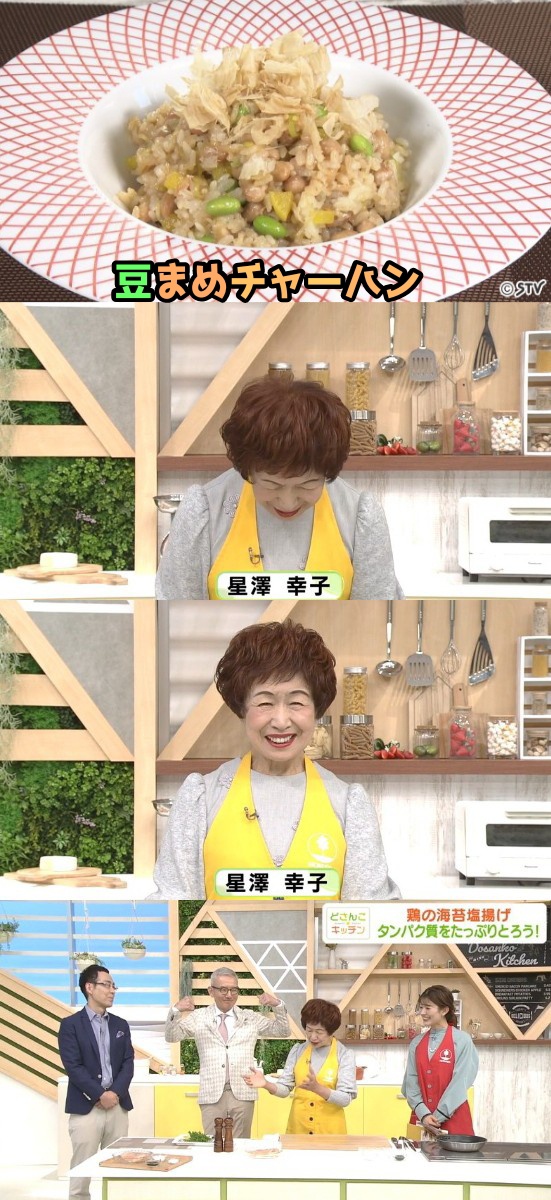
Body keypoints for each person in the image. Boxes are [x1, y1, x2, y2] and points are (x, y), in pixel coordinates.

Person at [153, 619, 400, 900]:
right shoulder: (201, 797)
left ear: (316, 710)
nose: (281, 721)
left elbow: (368, 914)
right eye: (265, 703)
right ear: (242, 708)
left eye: (296, 703)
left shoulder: (348, 804)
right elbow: (174, 906)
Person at [155, 376, 402, 600]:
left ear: (328, 472)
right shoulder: (204, 512)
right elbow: (175, 610)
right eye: (272, 484)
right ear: (248, 469)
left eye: (307, 484)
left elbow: (375, 609)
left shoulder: (359, 516)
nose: (288, 502)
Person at [165, 967, 291, 1137]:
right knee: (213, 1144)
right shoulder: (199, 1017)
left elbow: (283, 1031)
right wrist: (176, 1010)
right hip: (211, 1094)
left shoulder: (249, 1018)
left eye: (234, 990)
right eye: (223, 989)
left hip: (243, 1093)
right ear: (211, 991)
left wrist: (277, 1005)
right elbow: (172, 1036)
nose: (229, 995)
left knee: (240, 1145)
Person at [58, 964, 134, 1200]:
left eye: (114, 986)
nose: (112, 990)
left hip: (117, 1106)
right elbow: (73, 1066)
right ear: (89, 987)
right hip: (86, 1106)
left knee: (119, 1165)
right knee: (82, 1167)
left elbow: (128, 1063)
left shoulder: (120, 1025)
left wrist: (114, 1093)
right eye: (107, 985)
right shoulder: (70, 1025)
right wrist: (100, 1094)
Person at [243, 998, 356, 1135]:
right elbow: (285, 1089)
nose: (312, 1037)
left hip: (330, 1132)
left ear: (331, 1031)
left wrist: (318, 1088)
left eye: (319, 1032)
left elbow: (345, 1099)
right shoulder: (297, 1050)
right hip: (298, 1128)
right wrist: (266, 1084)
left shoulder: (344, 1055)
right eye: (309, 1030)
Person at [402, 985, 479, 1137]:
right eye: (421, 1007)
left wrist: (438, 1116)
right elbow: (410, 1083)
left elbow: (461, 1081)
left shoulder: (462, 1040)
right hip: (421, 1118)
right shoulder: (416, 1043)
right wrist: (424, 1114)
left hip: (454, 1117)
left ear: (444, 1010)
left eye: (428, 1008)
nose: (422, 1012)